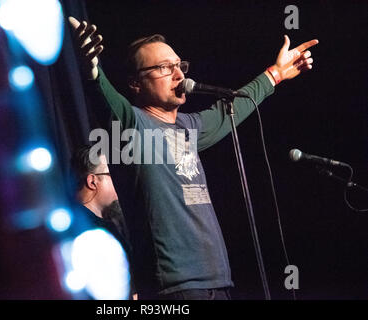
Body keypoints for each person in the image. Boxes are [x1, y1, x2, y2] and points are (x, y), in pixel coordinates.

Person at [68, 16, 318, 300]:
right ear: (136, 84)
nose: (179, 75)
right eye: (164, 68)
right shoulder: (131, 125)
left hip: (218, 282)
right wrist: (92, 72)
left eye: (179, 66)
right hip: (175, 289)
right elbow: (104, 97)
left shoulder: (190, 127)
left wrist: (275, 74)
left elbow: (230, 108)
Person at [70, 145, 135, 299]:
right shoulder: (85, 233)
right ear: (92, 181)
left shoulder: (106, 226)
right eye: (113, 175)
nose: (120, 184)